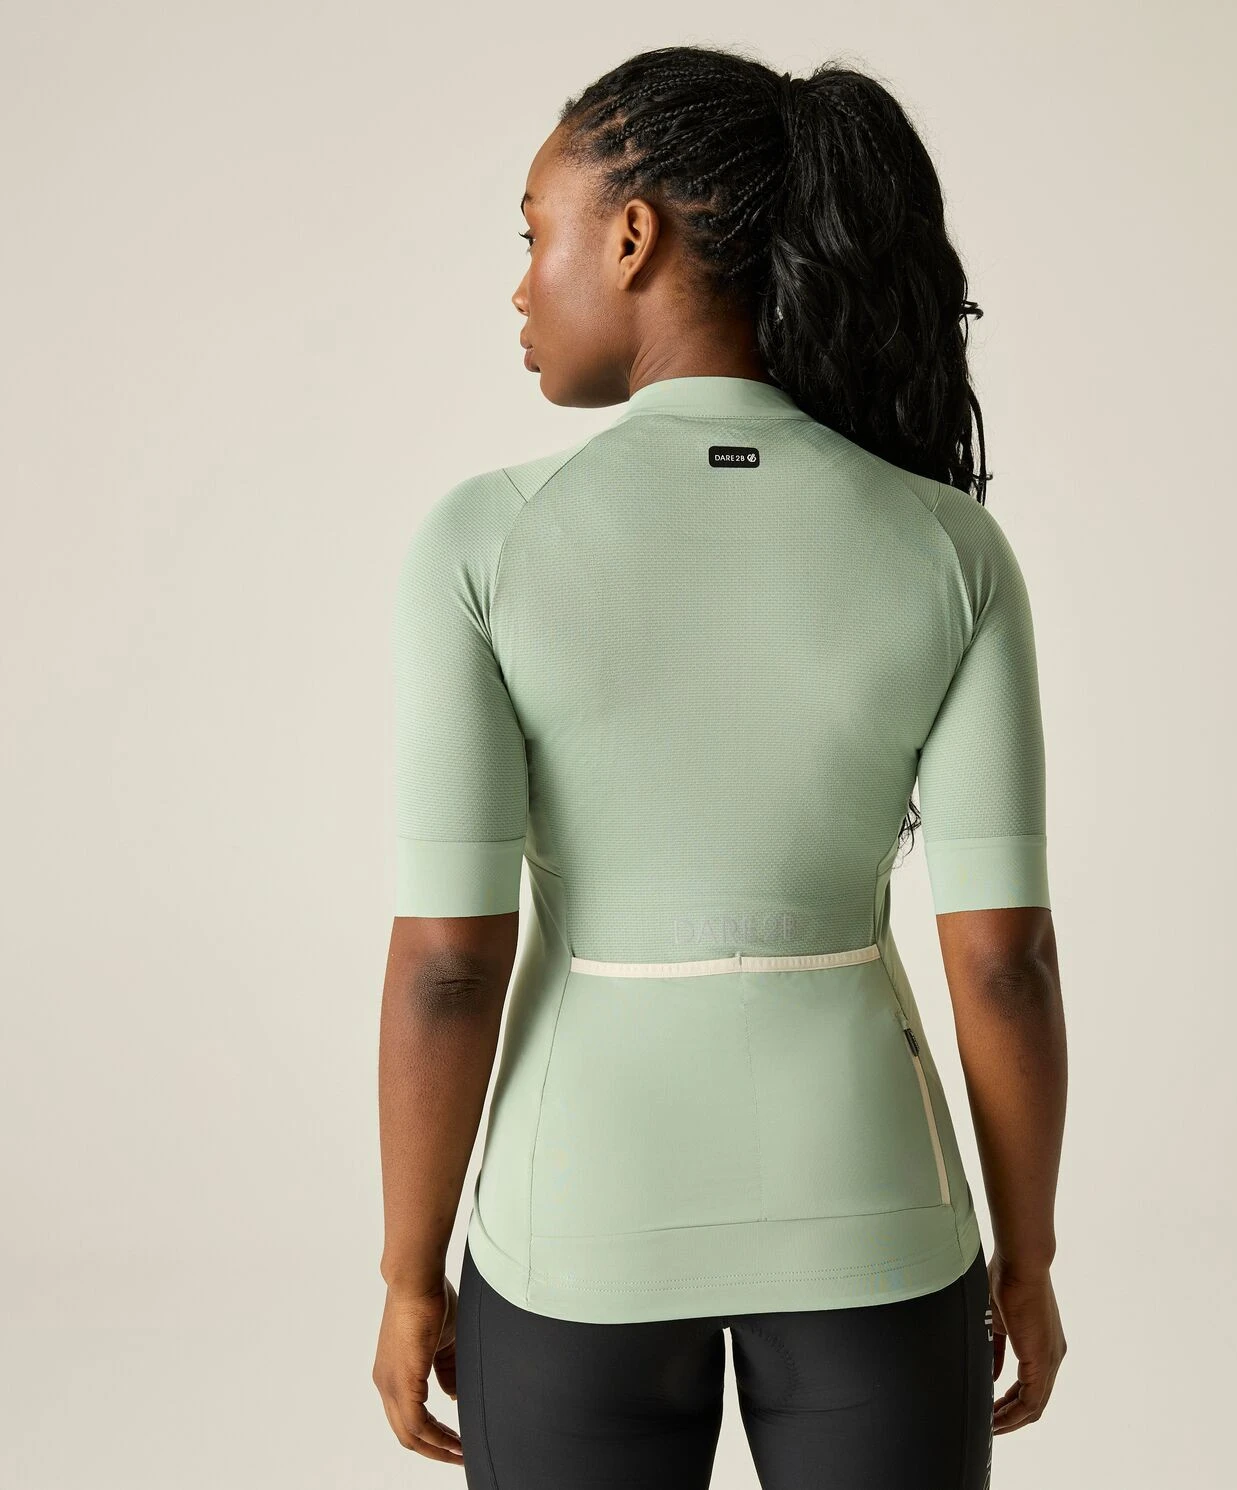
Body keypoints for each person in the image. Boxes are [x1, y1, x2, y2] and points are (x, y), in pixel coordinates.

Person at [372, 44, 1068, 1490]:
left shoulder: (485, 542)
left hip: (576, 1224)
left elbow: (446, 964)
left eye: (534, 234)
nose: (520, 286)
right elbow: (1004, 963)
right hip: (877, 1212)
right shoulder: (948, 546)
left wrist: (407, 1270)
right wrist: (1029, 1257)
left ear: (631, 238)